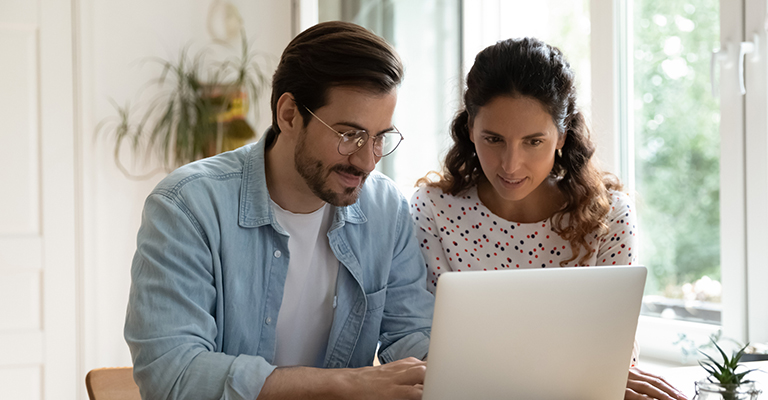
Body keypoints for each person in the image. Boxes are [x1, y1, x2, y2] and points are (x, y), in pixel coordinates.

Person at [124, 21, 433, 400]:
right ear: (288, 114)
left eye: (380, 138)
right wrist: (348, 385)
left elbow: (411, 337)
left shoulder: (388, 210)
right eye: (348, 135)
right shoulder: (187, 207)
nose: (367, 160)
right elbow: (172, 375)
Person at [410, 37, 687, 400]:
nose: (511, 164)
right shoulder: (433, 209)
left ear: (562, 136)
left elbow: (616, 347)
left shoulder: (610, 216)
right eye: (493, 139)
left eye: (533, 141)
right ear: (469, 130)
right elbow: (417, 344)